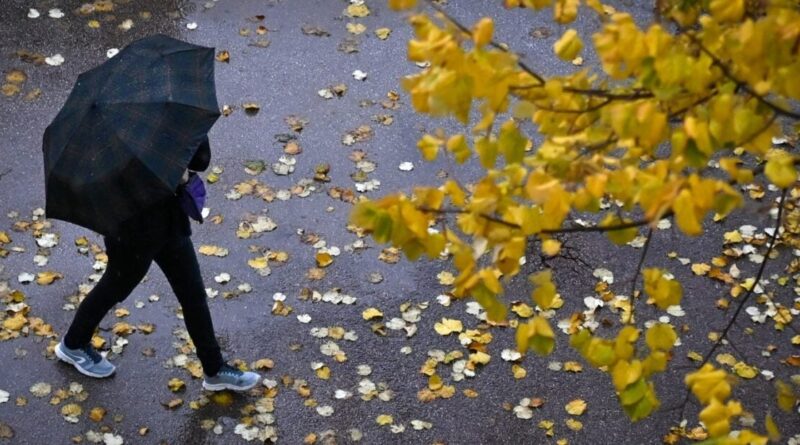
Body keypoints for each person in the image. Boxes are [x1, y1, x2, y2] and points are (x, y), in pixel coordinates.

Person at [55, 138, 260, 392]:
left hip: (169, 220)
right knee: (115, 288)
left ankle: (214, 369)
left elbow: (200, 159)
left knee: (193, 294)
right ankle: (74, 344)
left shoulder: (168, 118)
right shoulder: (114, 135)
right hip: (130, 229)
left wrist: (179, 167)